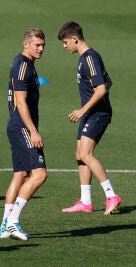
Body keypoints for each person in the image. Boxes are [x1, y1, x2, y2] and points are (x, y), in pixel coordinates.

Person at [57, 21, 122, 215]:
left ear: (75, 39)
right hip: (91, 113)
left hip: (98, 114)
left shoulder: (90, 58)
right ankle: (85, 201)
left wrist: (83, 110)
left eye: (66, 42)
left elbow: (101, 88)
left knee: (86, 153)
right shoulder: (85, 58)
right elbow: (107, 81)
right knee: (79, 154)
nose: (64, 46)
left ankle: (112, 196)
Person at [0, 28, 47, 240]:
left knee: (21, 175)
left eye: (43, 45)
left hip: (18, 126)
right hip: (22, 127)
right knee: (40, 174)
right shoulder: (23, 65)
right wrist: (33, 131)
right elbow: (21, 102)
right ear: (26, 44)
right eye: (37, 45)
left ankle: (3, 226)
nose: (41, 49)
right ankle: (12, 221)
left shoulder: (26, 65)